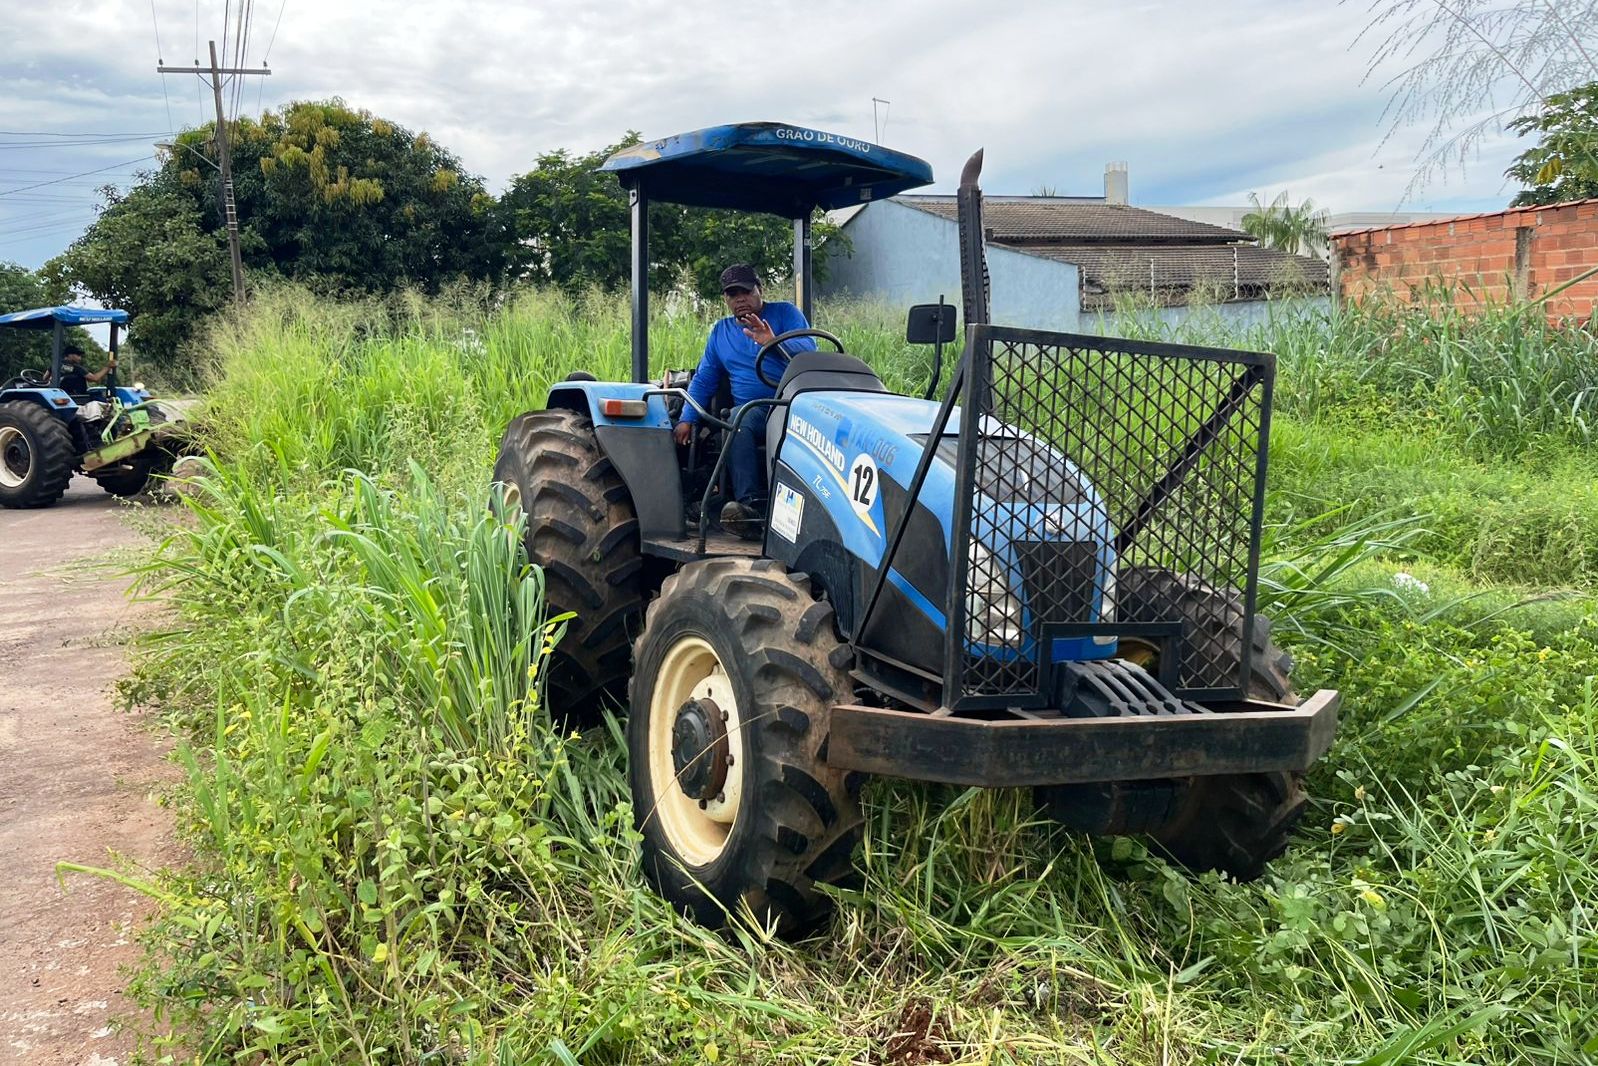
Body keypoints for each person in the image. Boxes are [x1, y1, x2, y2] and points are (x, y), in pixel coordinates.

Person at [673, 264, 815, 536]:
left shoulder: (786, 314)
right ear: (726, 299)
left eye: (746, 292)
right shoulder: (721, 332)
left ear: (760, 290)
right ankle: (750, 509)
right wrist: (687, 418)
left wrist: (773, 342)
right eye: (732, 294)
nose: (740, 299)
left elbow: (810, 351)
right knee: (738, 418)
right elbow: (704, 379)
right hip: (753, 412)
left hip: (792, 404)